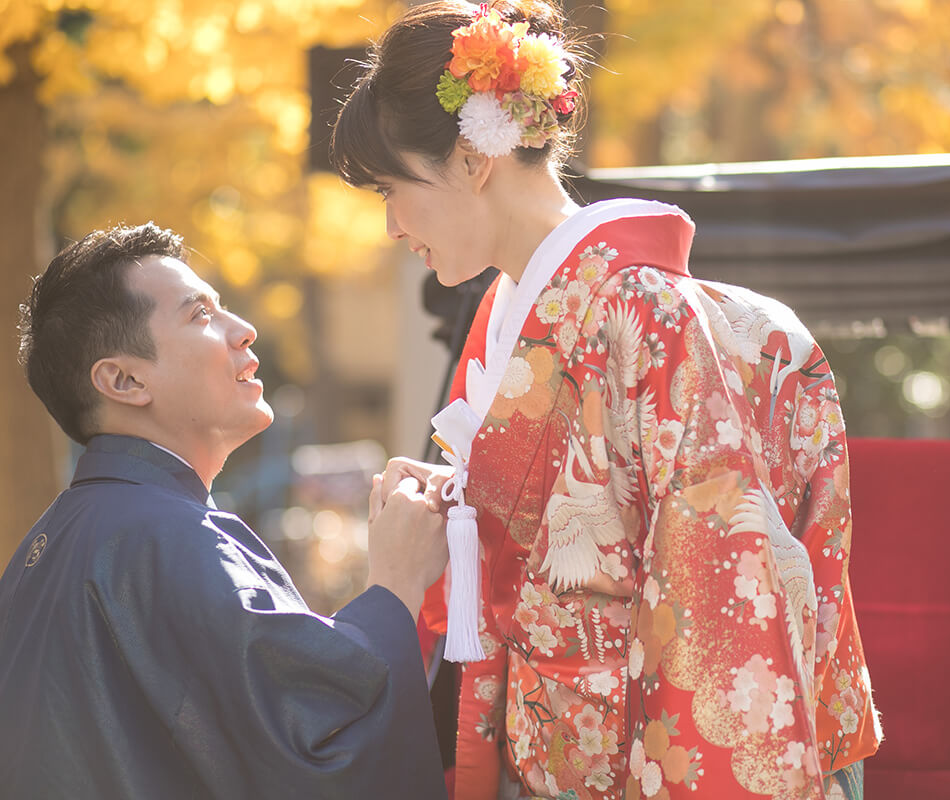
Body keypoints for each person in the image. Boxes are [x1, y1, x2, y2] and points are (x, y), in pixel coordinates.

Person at [330, 2, 880, 799]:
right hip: (551, 750)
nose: (389, 225)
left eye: (391, 187)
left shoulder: (647, 311)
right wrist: (453, 508)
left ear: (474, 156)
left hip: (637, 757)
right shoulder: (505, 314)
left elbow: (716, 584)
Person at [0, 223, 450, 799]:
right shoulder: (164, 536)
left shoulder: (53, 543)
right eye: (200, 316)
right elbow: (313, 742)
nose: (244, 330)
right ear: (124, 379)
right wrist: (396, 583)